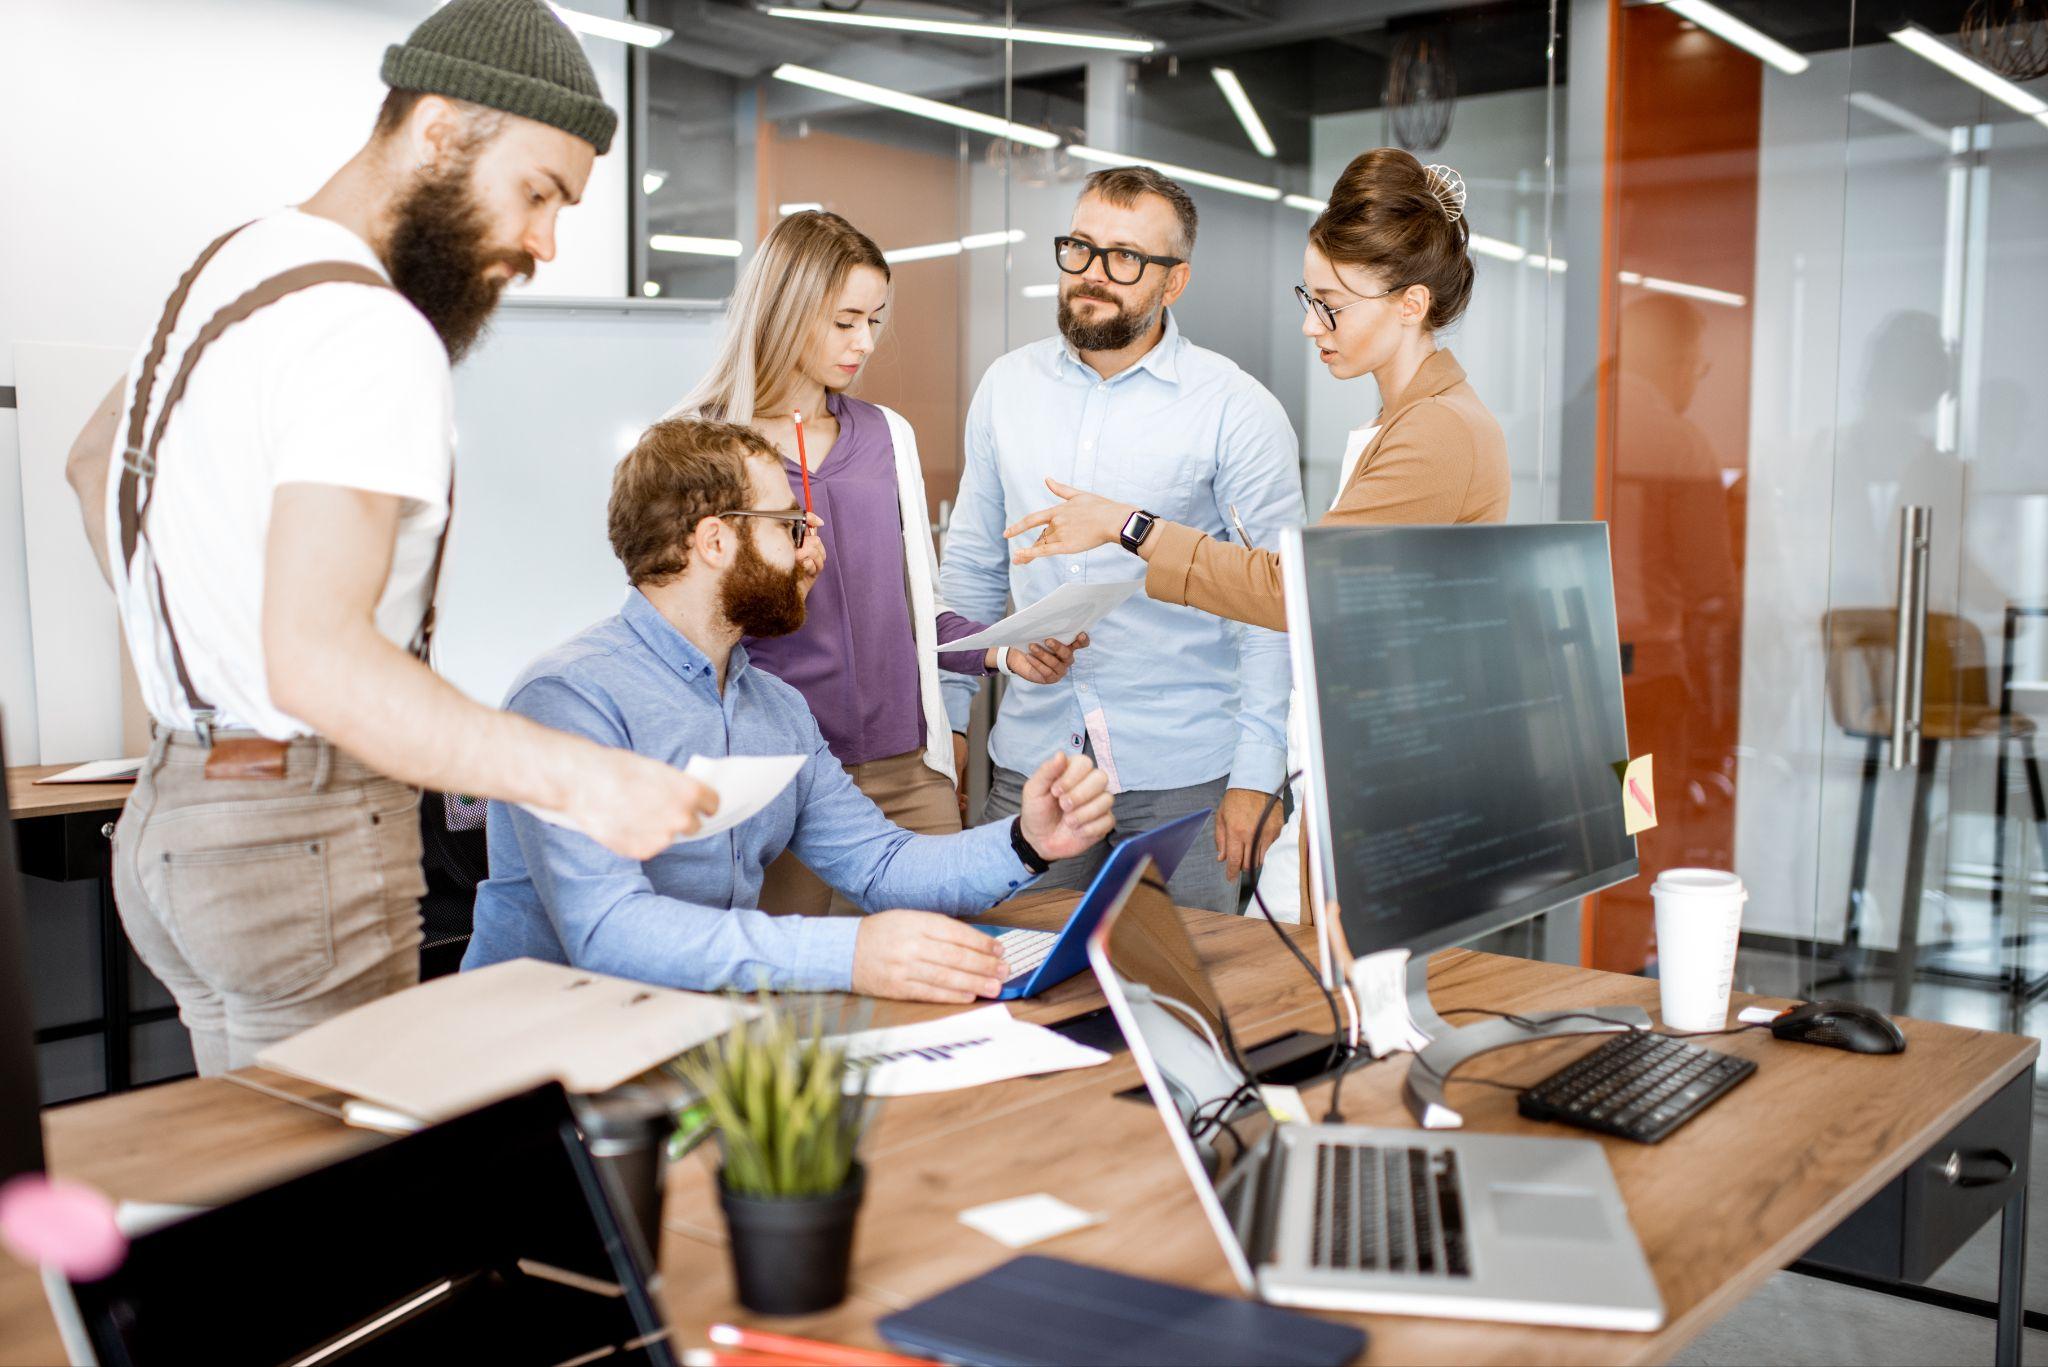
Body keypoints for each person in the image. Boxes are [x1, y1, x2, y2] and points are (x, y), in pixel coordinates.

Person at [60, 0, 717, 1075]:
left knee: (258, 1186)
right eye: (537, 194)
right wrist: (583, 779)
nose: (544, 245)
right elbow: (319, 657)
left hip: (175, 820)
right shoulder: (367, 325)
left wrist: (213, 647)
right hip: (298, 839)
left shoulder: (228, 273)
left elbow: (94, 465)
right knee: (341, 1208)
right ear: (439, 128)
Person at [1004, 149, 1508, 919]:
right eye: (1311, 297)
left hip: (1397, 780)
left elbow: (1291, 588)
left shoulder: (1434, 431)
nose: (1311, 324)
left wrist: (1128, 525)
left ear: (1410, 304)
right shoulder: (1407, 417)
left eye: (1333, 305)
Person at [465, 419, 1117, 1000]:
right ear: (715, 541)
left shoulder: (774, 708)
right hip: (544, 1066)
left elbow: (881, 863)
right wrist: (851, 953)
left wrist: (1026, 840)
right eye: (788, 525)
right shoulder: (570, 699)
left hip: (695, 1040)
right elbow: (609, 929)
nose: (808, 550)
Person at [669, 210, 1086, 918]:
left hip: (905, 770)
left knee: (943, 976)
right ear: (787, 309)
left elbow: (916, 611)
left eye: (875, 319)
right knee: (792, 1004)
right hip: (779, 777)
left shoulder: (889, 435)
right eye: (845, 321)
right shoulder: (702, 447)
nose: (864, 342)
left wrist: (1003, 654)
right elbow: (682, 637)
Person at [938, 166, 1304, 915]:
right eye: (1079, 247)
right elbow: (971, 568)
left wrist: (1257, 775)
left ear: (1175, 282)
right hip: (1033, 763)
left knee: (1190, 999)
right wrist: (947, 721)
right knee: (1015, 984)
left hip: (1190, 775)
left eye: (1125, 258)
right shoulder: (1007, 388)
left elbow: (1275, 602)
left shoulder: (1236, 410)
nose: (1093, 275)